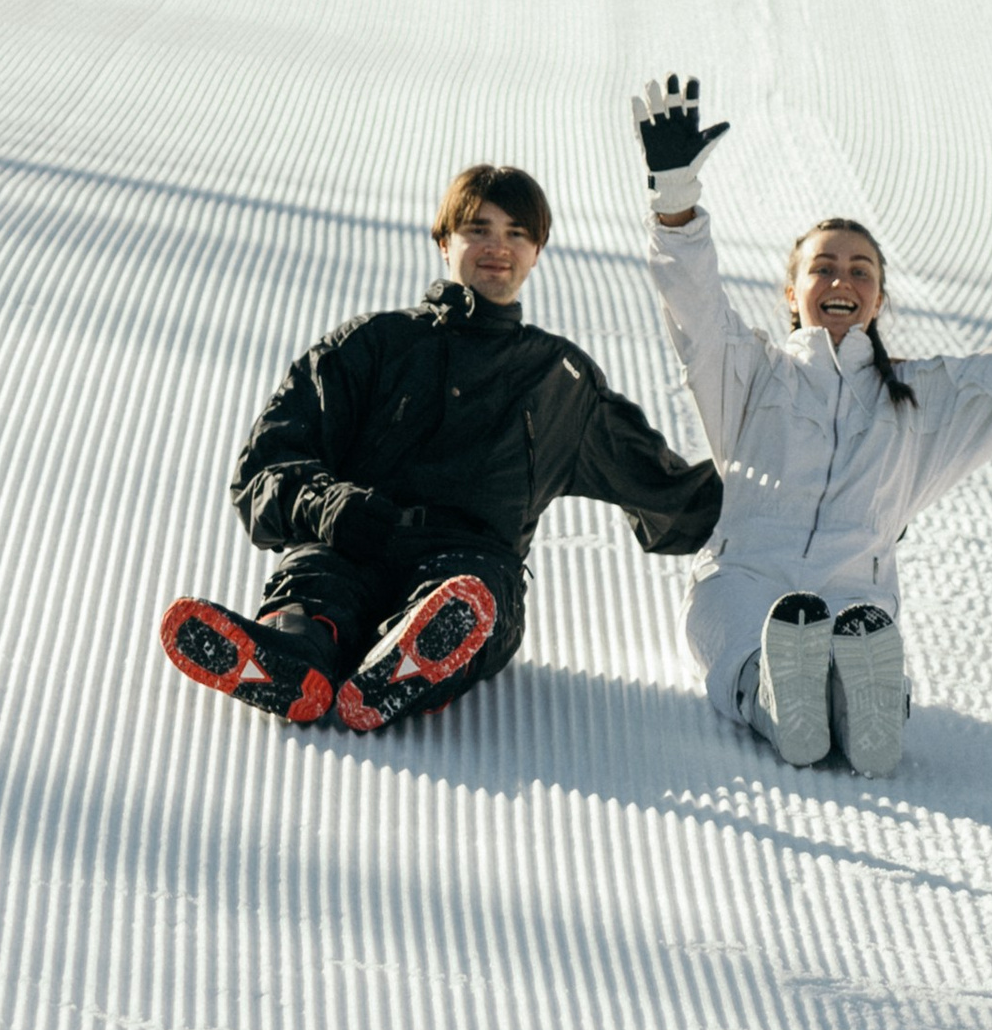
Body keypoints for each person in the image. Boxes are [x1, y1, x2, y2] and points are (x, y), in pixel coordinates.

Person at [631, 75, 992, 775]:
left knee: (857, 641)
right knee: (743, 645)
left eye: (859, 270)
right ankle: (778, 699)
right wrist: (676, 205)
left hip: (855, 599)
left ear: (879, 296)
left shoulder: (922, 399)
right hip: (745, 579)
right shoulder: (751, 373)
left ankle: (866, 701)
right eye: (823, 268)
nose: (841, 281)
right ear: (793, 292)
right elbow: (694, 308)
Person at [161, 163, 722, 735]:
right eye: (478, 228)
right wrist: (332, 505)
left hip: (470, 567)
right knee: (320, 579)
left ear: (537, 251)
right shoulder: (372, 345)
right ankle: (293, 649)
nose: (497, 246)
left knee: (467, 601)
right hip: (352, 539)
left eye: (516, 233)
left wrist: (790, 488)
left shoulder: (559, 379)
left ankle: (412, 659)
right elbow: (264, 469)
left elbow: (671, 496)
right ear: (444, 241)